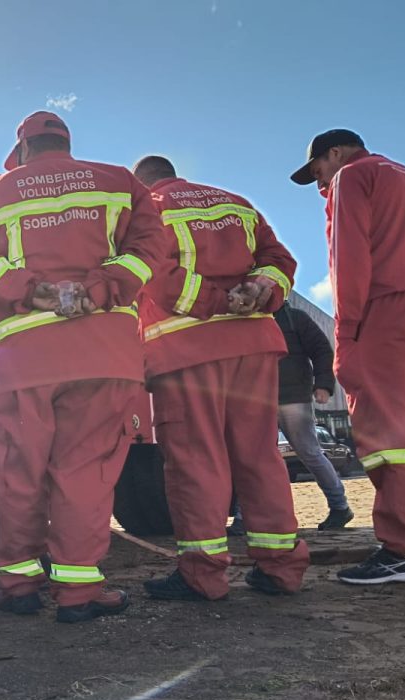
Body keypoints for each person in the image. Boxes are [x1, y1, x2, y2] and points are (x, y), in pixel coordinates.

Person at [0, 111, 171, 623]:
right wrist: (99, 289)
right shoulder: (120, 182)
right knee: (85, 472)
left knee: (19, 472)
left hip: (25, 356)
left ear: (24, 150)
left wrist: (31, 291)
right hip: (102, 353)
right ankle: (77, 592)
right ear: (66, 145)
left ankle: (19, 586)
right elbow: (151, 250)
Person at [290, 129, 405, 583]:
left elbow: (346, 257)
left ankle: (401, 551)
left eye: (317, 173)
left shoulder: (353, 177)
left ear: (334, 154)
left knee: (385, 431)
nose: (319, 185)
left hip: (384, 309)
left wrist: (346, 335)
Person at [133, 155, 309, 602]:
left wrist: (214, 301)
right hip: (253, 347)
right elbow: (280, 261)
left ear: (142, 181)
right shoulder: (235, 203)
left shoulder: (146, 208)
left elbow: (153, 273)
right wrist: (258, 290)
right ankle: (281, 568)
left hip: (186, 352)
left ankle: (203, 574)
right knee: (260, 456)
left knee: (196, 460)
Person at [229, 302, 353, 534]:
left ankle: (339, 506)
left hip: (293, 398)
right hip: (256, 399)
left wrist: (324, 384)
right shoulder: (242, 320)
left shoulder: (295, 318)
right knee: (252, 457)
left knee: (309, 453)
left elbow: (321, 349)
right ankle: (243, 517)